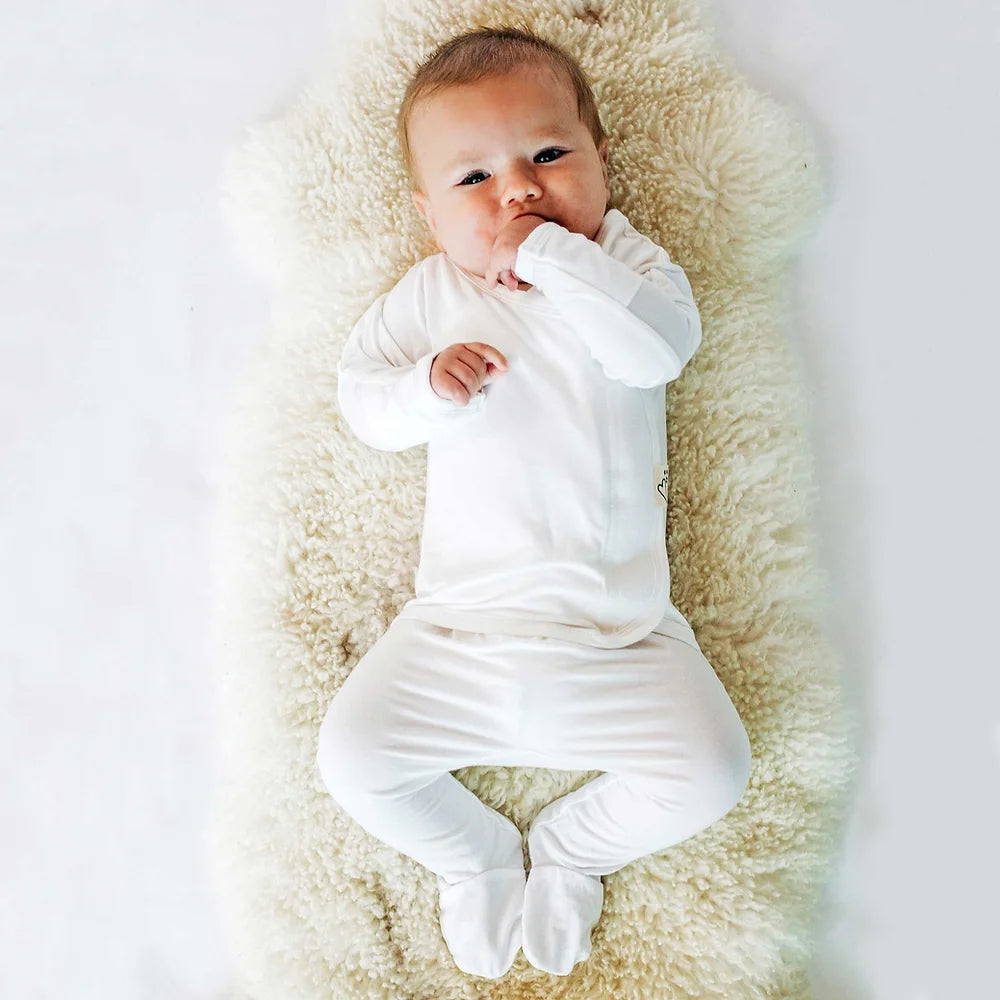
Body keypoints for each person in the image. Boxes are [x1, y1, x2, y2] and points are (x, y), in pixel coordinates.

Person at [315, 24, 752, 980]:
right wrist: (424, 387)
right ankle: (469, 855)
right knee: (352, 760)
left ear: (601, 161)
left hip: (621, 637)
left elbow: (658, 351)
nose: (518, 191)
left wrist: (553, 258)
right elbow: (360, 401)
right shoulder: (431, 295)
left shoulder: (631, 271)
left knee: (714, 773)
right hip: (455, 635)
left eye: (549, 155)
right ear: (430, 216)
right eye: (474, 179)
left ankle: (573, 848)